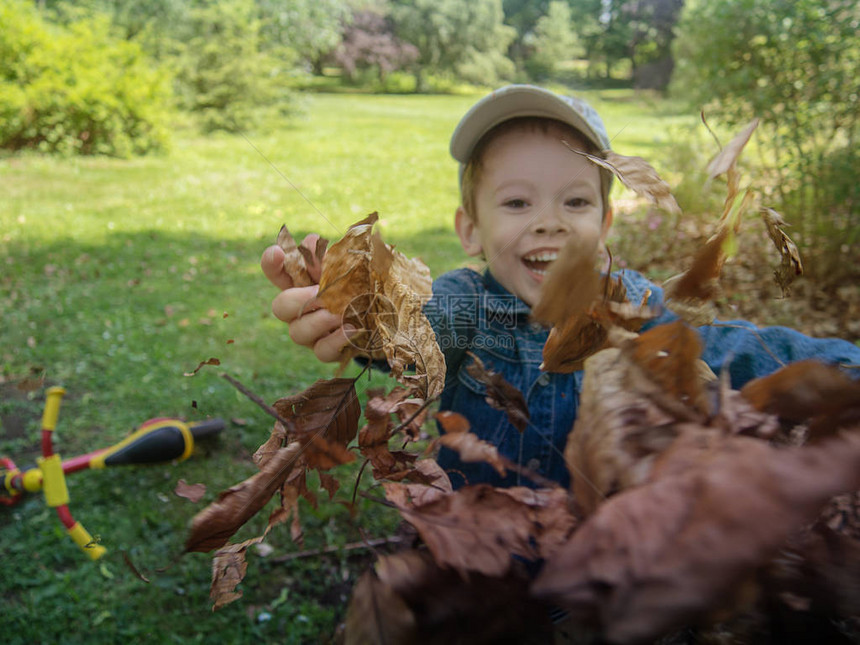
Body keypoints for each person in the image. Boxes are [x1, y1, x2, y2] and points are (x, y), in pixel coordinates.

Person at [261, 84, 860, 490]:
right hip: (481, 565)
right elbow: (420, 322)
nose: (548, 220)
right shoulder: (471, 305)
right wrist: (361, 312)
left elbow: (736, 350)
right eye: (517, 201)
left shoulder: (633, 308)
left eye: (574, 201)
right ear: (470, 230)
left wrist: (843, 368)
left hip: (610, 572)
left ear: (603, 224)